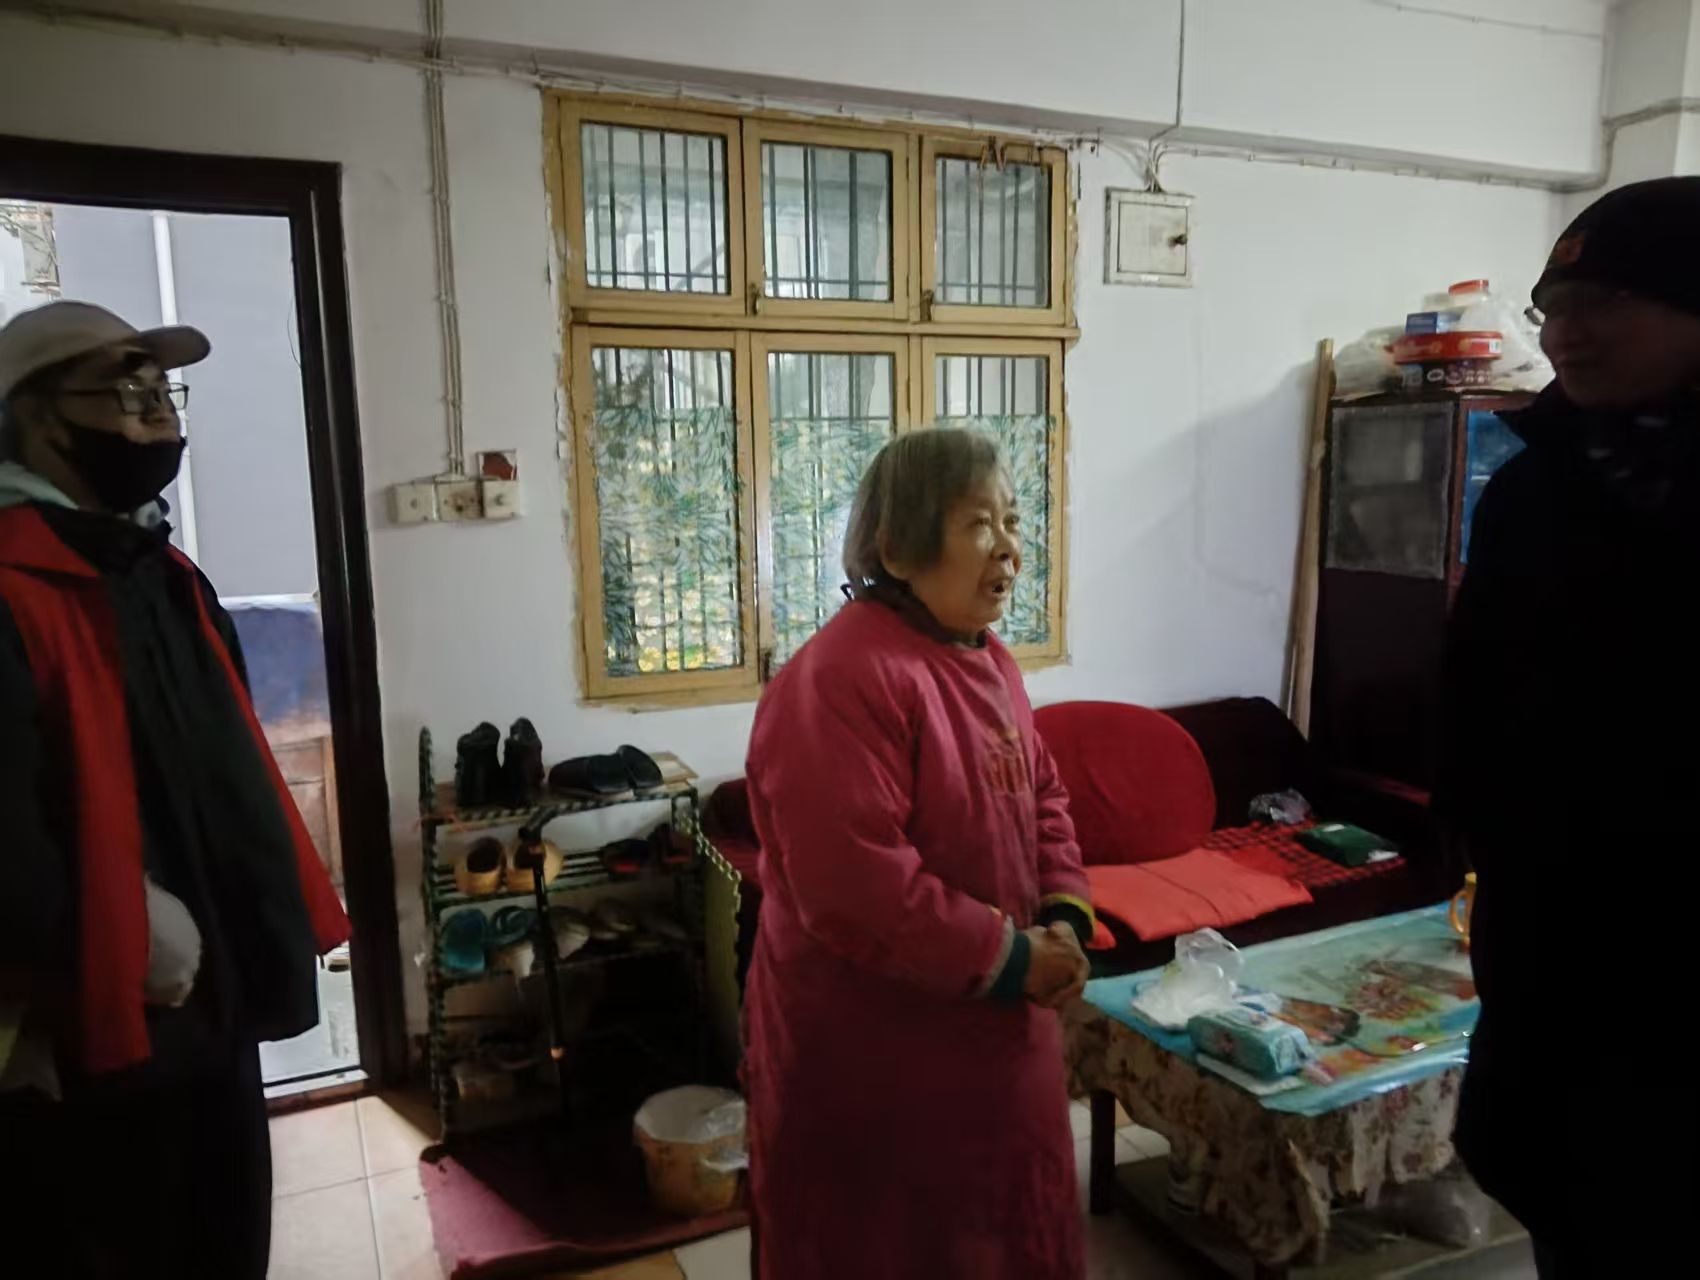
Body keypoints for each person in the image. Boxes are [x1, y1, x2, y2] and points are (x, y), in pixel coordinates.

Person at [0, 301, 350, 1278]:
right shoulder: (16, 586)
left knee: (226, 1230)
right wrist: (110, 925)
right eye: (125, 388)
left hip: (215, 1001)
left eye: (163, 388)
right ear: (36, 415)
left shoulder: (166, 572)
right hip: (96, 1016)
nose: (156, 411)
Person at [741, 428, 1095, 1279]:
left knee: (1006, 1230)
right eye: (978, 523)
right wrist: (1015, 958)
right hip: (874, 1050)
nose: (1008, 547)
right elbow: (855, 886)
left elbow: (1043, 796)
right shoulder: (841, 678)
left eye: (1013, 521)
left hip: (996, 1027)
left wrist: (1063, 916)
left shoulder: (992, 661)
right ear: (897, 549)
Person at [1442, 178, 1698, 1275]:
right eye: (1552, 307)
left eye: (1603, 302)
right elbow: (1468, 700)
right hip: (1554, 968)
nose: (1563, 334)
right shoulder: (1533, 491)